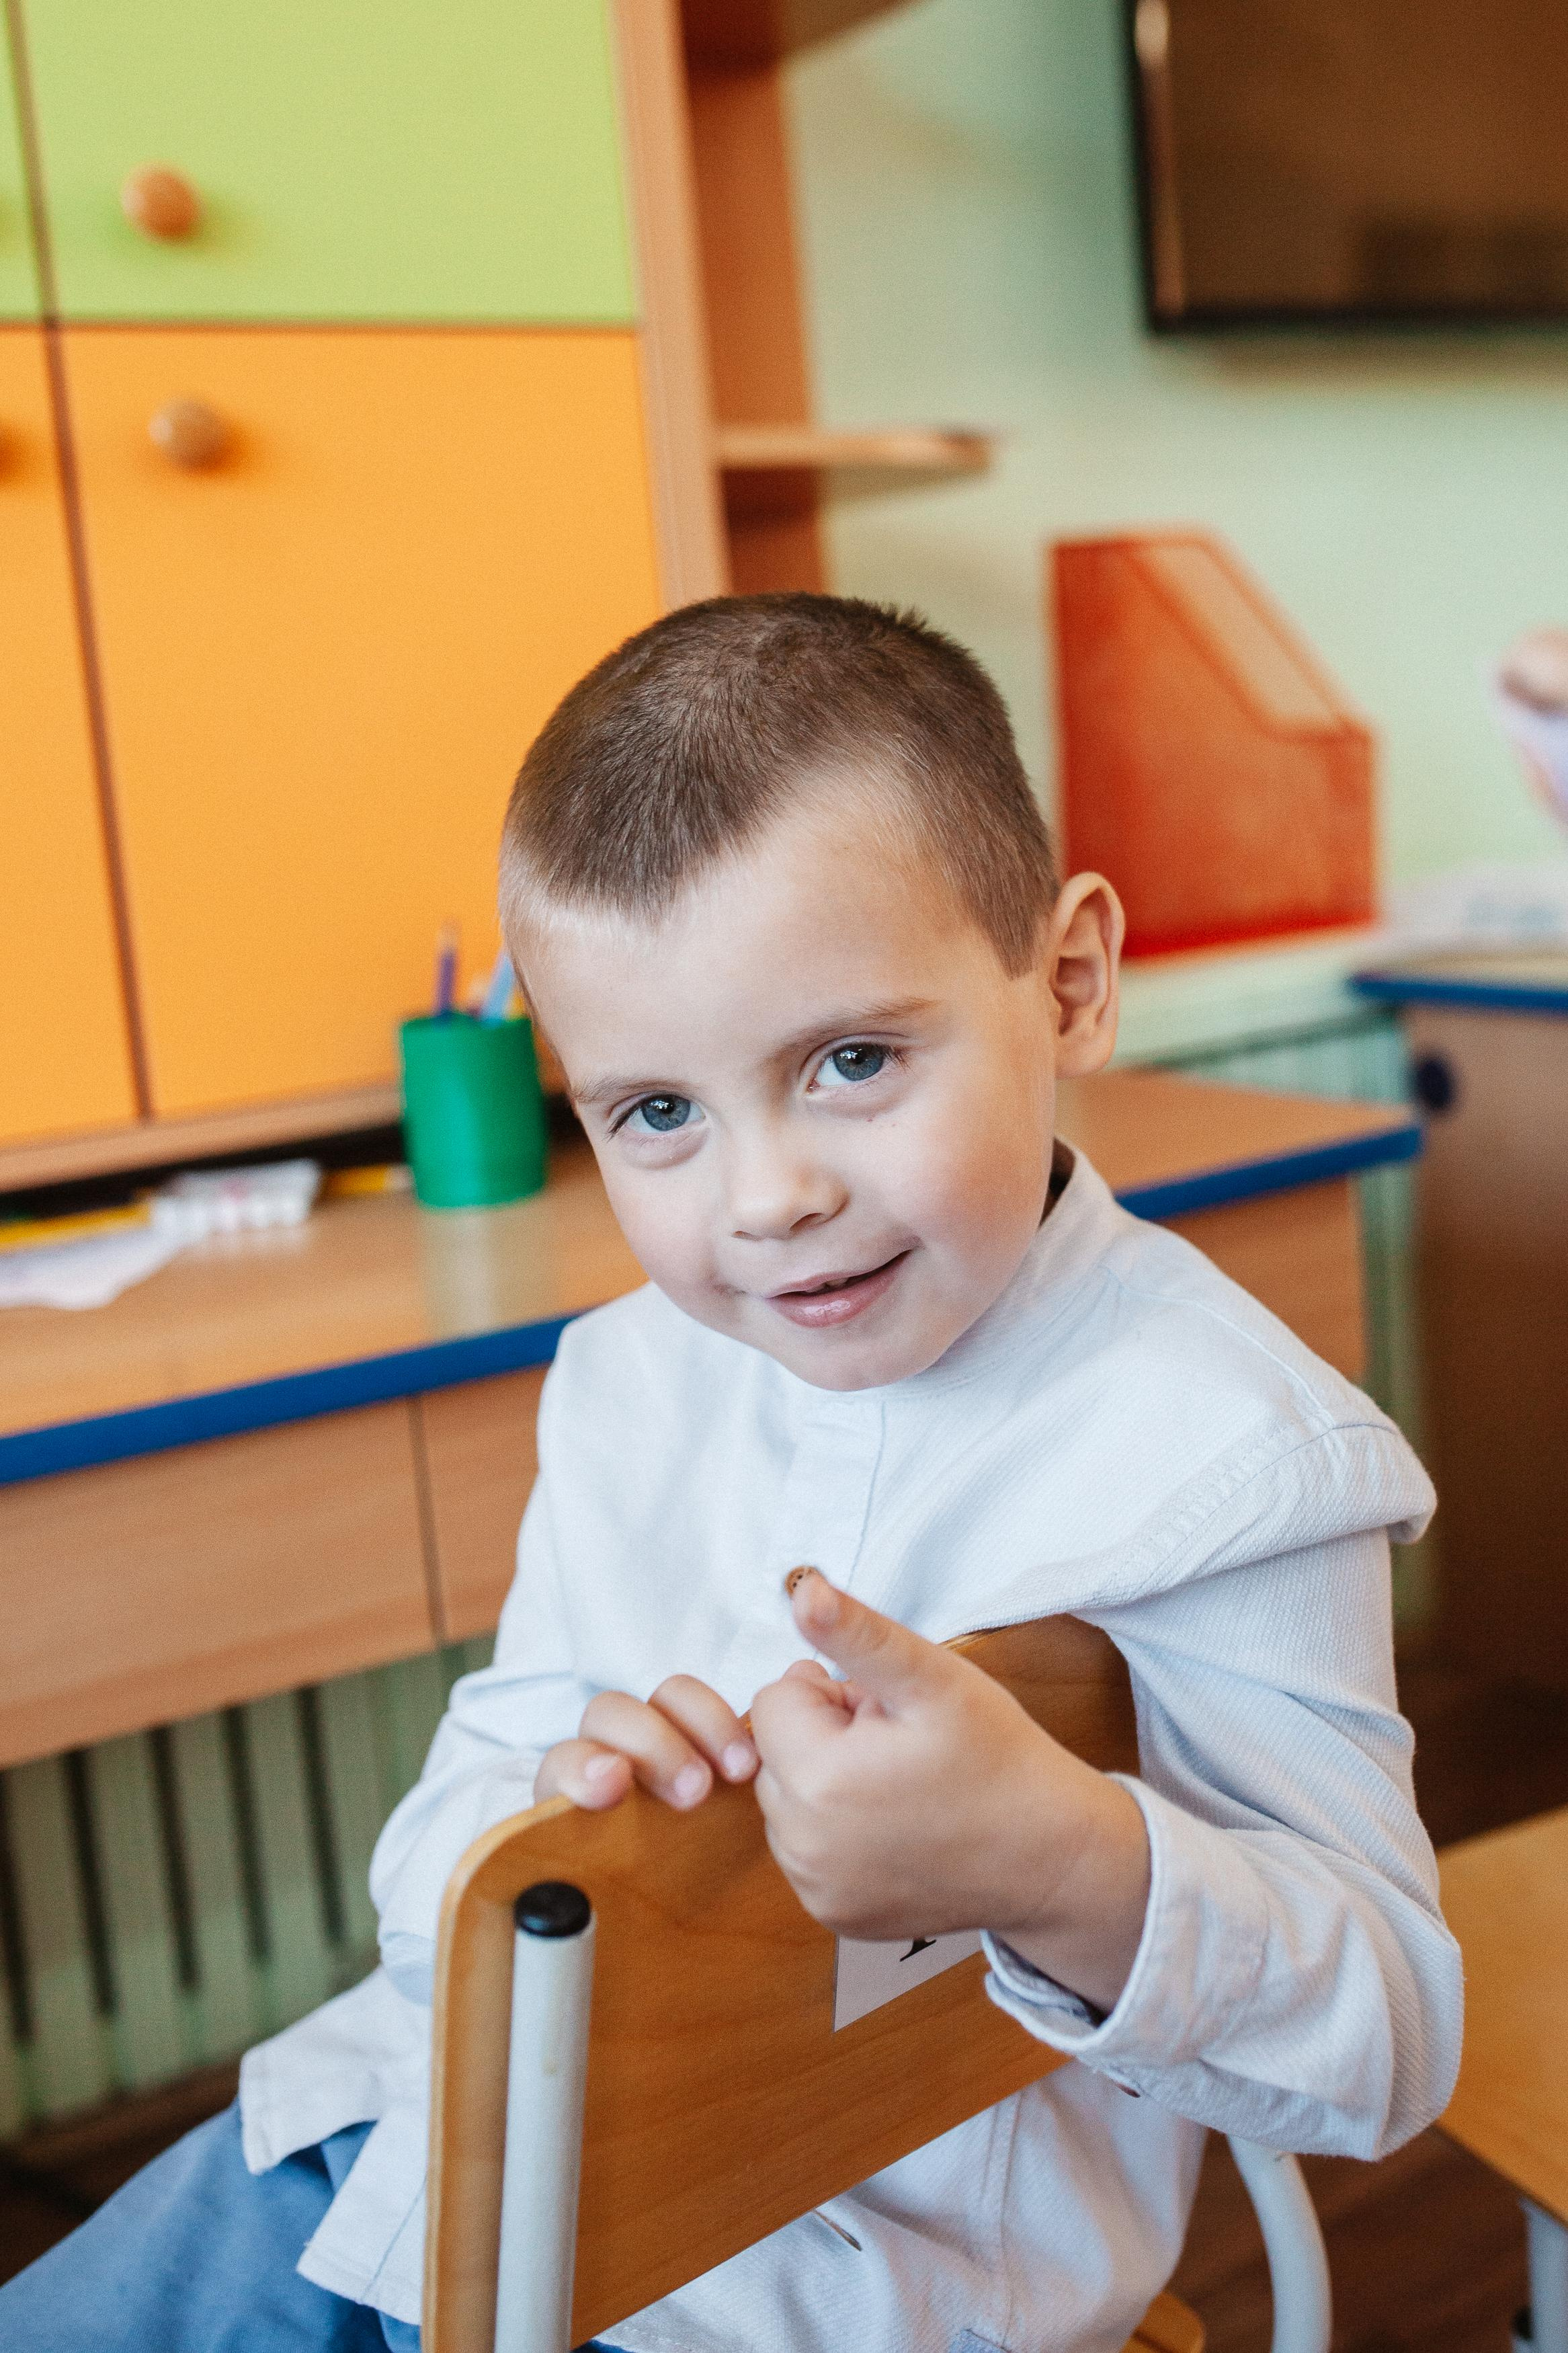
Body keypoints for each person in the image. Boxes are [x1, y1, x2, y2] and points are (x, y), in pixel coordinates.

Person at [3, 594, 1461, 2353]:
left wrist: (1057, 1857)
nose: (765, 1197)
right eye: (657, 1115)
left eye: (852, 1060)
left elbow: (1389, 2037)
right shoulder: (627, 1371)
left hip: (811, 2302)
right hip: (382, 2152)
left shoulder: (1237, 1456)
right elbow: (450, 1850)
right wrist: (555, 1812)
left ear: (1067, 981)